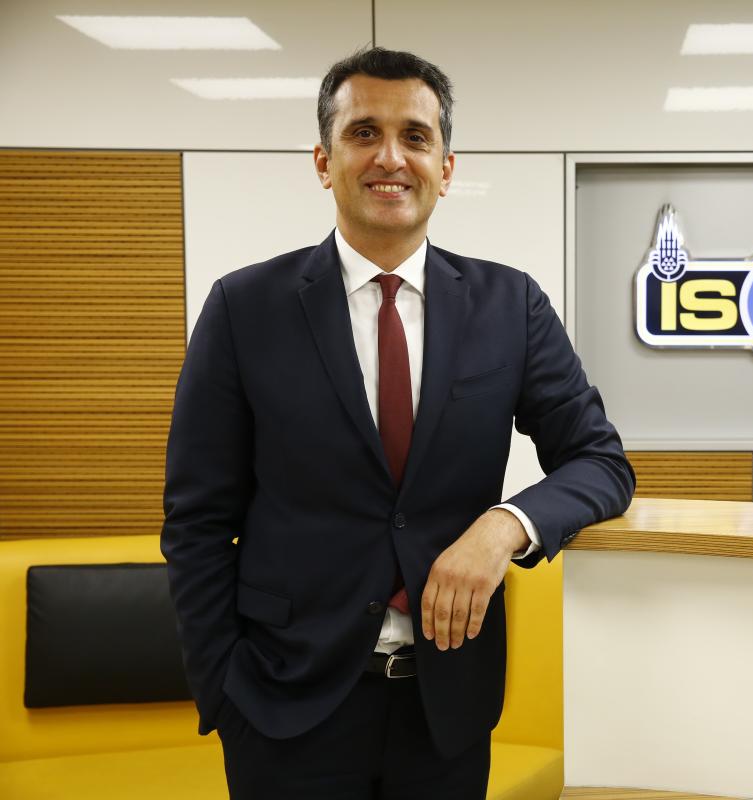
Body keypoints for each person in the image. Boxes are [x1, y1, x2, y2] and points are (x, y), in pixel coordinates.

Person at [161, 47, 635, 799]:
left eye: (415, 136)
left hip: (446, 709)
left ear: (446, 167)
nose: (391, 157)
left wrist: (503, 526)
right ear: (324, 162)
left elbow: (600, 462)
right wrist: (222, 691)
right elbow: (196, 521)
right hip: (284, 705)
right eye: (364, 133)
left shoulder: (510, 305)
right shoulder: (243, 309)